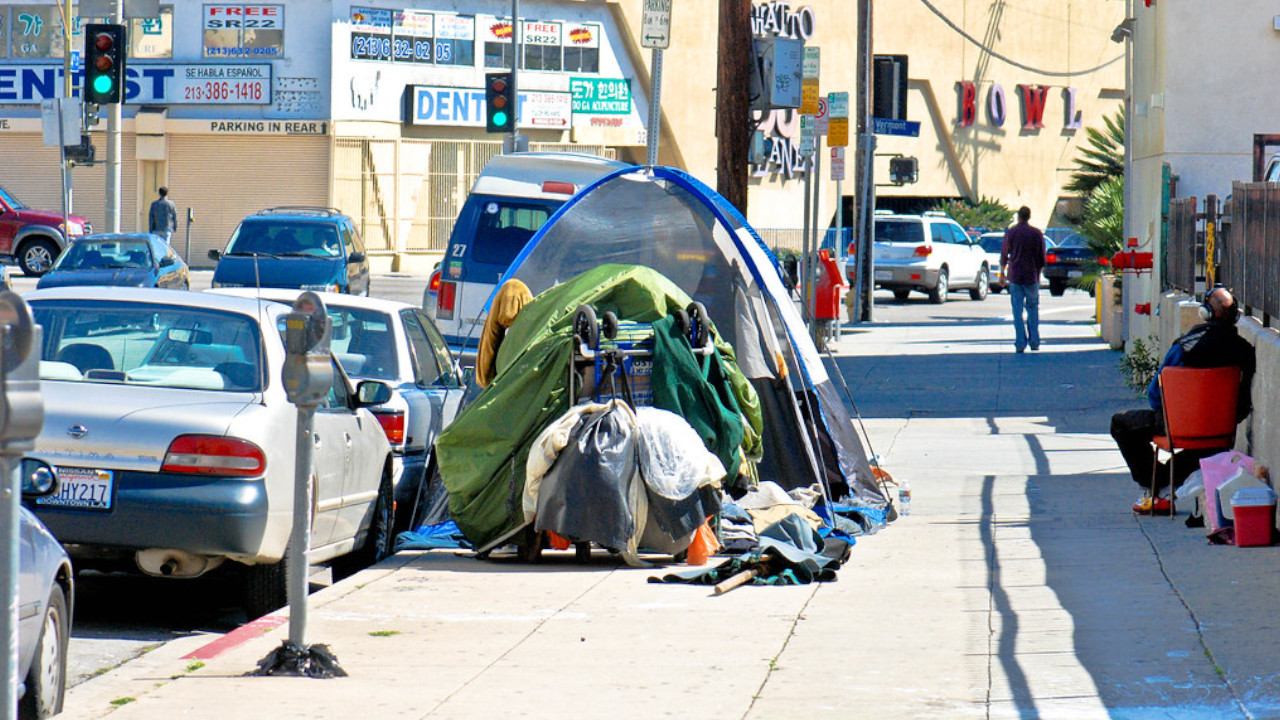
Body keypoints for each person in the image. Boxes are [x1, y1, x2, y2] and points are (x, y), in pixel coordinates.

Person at [1110, 286, 1256, 514]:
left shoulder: (1184, 348)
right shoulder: (1245, 350)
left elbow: (1154, 395)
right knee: (1205, 448)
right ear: (1235, 315)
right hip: (1223, 429)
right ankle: (1166, 486)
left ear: (1204, 313)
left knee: (1121, 423)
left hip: (1176, 425)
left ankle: (1155, 484)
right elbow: (1245, 397)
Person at [1000, 206, 1046, 353]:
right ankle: (1034, 341)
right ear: (1029, 216)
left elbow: (1004, 254)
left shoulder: (1011, 232)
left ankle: (1020, 342)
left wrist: (1002, 272)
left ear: (1019, 217)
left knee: (1017, 311)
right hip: (1031, 276)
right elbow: (1041, 257)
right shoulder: (1036, 234)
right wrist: (1038, 273)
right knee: (1033, 309)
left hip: (1016, 275)